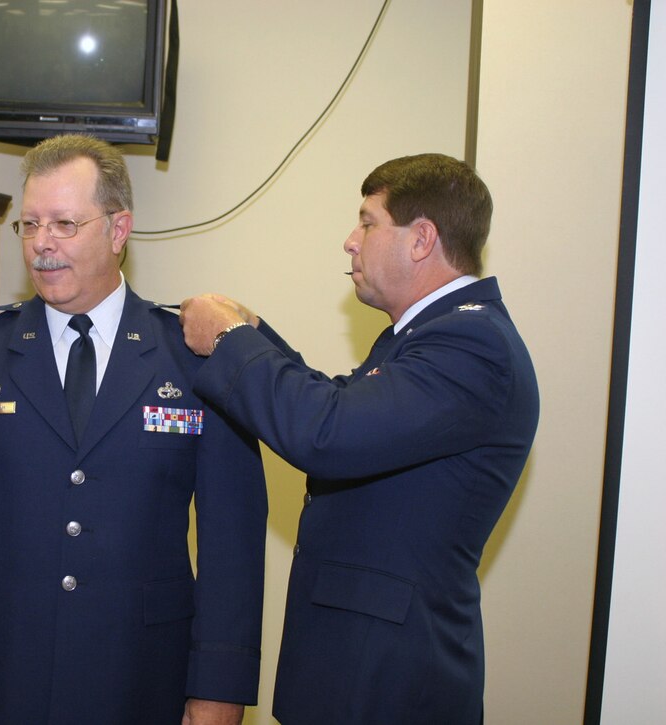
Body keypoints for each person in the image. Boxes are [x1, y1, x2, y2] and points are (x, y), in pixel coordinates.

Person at [0, 134, 268, 725]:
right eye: (30, 224)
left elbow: (233, 542)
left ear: (118, 231)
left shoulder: (194, 357)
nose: (41, 244)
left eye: (65, 223)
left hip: (145, 675)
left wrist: (220, 687)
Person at [178, 153, 539, 724]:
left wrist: (228, 340)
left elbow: (327, 434)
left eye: (369, 222)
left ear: (421, 238)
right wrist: (252, 333)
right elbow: (340, 405)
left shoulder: (470, 344)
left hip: (390, 682)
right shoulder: (426, 336)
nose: (351, 240)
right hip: (359, 669)